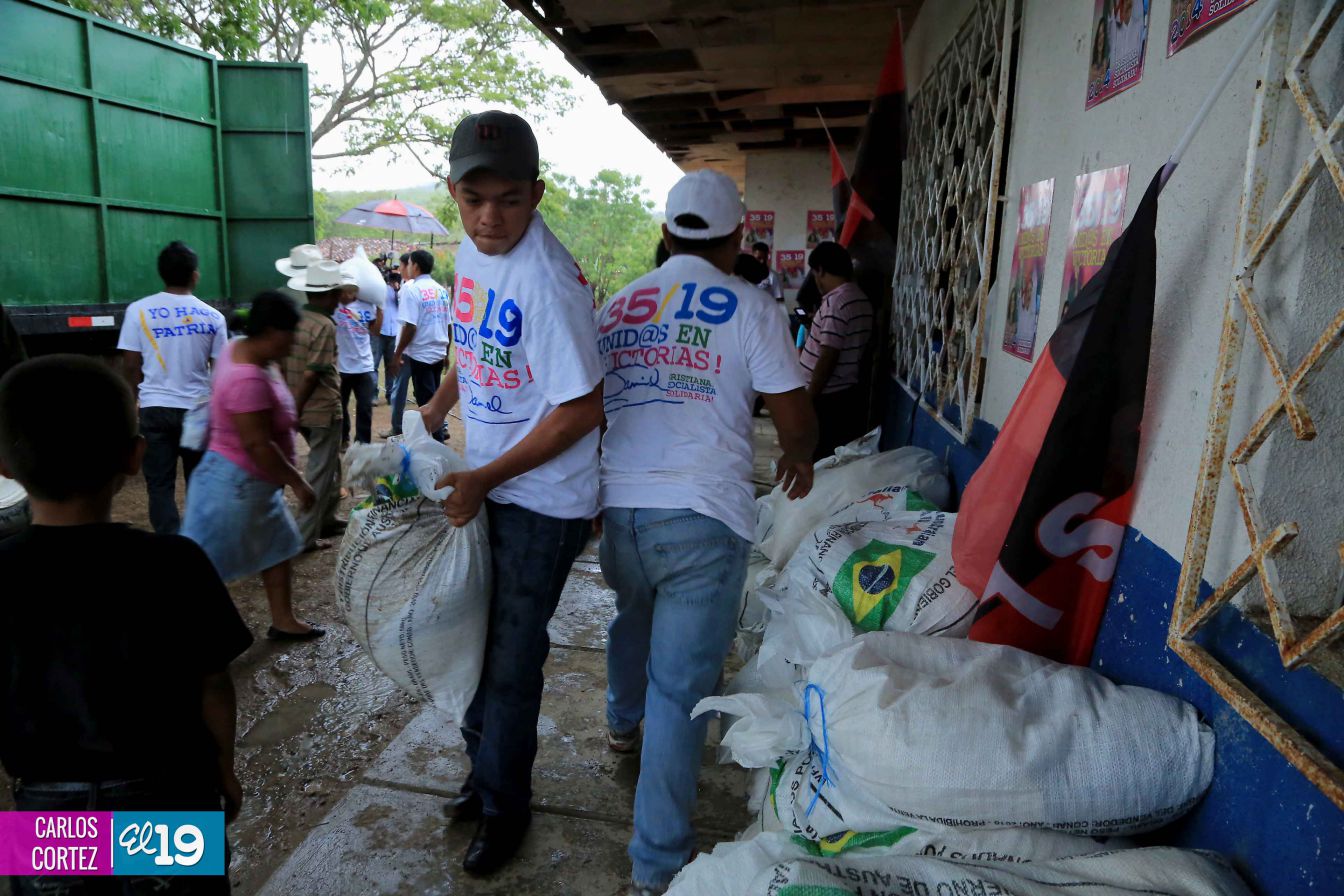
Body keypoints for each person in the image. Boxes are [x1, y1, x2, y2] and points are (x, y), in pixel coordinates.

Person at [597, 169, 817, 896]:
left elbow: (588, 402)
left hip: (620, 510)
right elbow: (790, 409)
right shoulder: (752, 306)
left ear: (666, 234)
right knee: (681, 692)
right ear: (736, 239)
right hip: (703, 515)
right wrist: (797, 454)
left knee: (633, 614)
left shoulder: (623, 302)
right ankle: (656, 865)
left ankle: (618, 720)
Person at [417, 109, 605, 875]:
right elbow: (474, 338)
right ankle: (482, 772)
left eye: (510, 200)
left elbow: (582, 409)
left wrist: (486, 476)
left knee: (510, 663)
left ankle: (504, 810)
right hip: (486, 484)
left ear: (537, 193)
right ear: (454, 193)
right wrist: (436, 407)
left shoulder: (548, 281)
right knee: (465, 642)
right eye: (474, 198)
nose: (491, 217)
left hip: (544, 500)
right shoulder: (470, 250)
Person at [0, 356, 252, 896]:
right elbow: (214, 684)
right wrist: (224, 769)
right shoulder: (176, 562)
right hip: (167, 795)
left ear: (5, 466)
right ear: (135, 457)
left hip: (48, 814)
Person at [182, 291, 324, 641]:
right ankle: (186, 637)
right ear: (272, 332)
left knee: (278, 547)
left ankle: (283, 620)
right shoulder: (248, 378)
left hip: (253, 485)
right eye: (291, 336)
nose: (294, 345)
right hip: (235, 485)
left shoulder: (240, 349)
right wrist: (297, 482)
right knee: (205, 566)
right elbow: (258, 445)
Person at [117, 240, 227, 534]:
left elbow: (130, 364)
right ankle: (198, 544)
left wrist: (137, 396)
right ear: (195, 275)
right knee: (199, 482)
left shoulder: (138, 311)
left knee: (160, 484)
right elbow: (220, 372)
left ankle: (170, 545)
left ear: (161, 274)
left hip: (155, 408)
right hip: (198, 411)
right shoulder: (214, 317)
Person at [278, 257, 351, 550]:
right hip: (320, 408)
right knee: (320, 474)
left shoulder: (296, 320)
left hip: (301, 405)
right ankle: (304, 537)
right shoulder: (324, 326)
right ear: (331, 295)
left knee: (332, 465)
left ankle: (328, 519)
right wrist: (294, 410)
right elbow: (312, 375)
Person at [800, 241, 874, 460]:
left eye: (815, 274)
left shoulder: (837, 302)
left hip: (826, 397)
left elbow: (828, 355)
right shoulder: (861, 299)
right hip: (845, 393)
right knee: (830, 458)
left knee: (817, 459)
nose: (816, 281)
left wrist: (809, 398)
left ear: (820, 270)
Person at [389, 249, 451, 438]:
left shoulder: (413, 290)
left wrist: (397, 353)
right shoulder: (440, 291)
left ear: (415, 266)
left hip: (422, 355)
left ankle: (437, 445)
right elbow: (449, 325)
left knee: (428, 406)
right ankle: (437, 439)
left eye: (408, 264)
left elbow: (410, 327)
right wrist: (447, 353)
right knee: (433, 401)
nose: (406, 267)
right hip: (438, 353)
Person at [334, 285, 381, 446]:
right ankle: (343, 437)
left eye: (350, 291)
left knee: (365, 407)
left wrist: (381, 309)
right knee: (340, 406)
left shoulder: (368, 306)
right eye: (343, 291)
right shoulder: (334, 306)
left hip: (364, 366)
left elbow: (375, 331)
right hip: (341, 366)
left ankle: (362, 443)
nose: (347, 294)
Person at [373, 271, 402, 407]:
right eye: (393, 280)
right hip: (380, 333)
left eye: (397, 280)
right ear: (389, 280)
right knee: (374, 365)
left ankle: (390, 394)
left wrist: (397, 291)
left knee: (391, 366)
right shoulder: (382, 290)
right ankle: (373, 394)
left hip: (394, 333)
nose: (395, 283)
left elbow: (401, 305)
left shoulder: (401, 293)